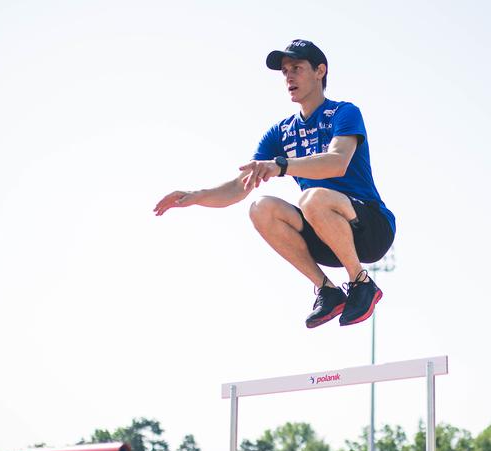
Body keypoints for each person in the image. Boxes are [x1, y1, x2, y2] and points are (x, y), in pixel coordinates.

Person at [154, 39, 395, 328]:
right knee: (261, 208)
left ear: (320, 71)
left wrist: (281, 165)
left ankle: (361, 283)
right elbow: (238, 188)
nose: (289, 77)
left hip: (370, 227)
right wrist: (195, 195)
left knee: (312, 198)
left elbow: (337, 161)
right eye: (284, 71)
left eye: (297, 68)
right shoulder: (281, 132)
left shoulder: (343, 112)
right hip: (327, 234)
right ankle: (328, 291)